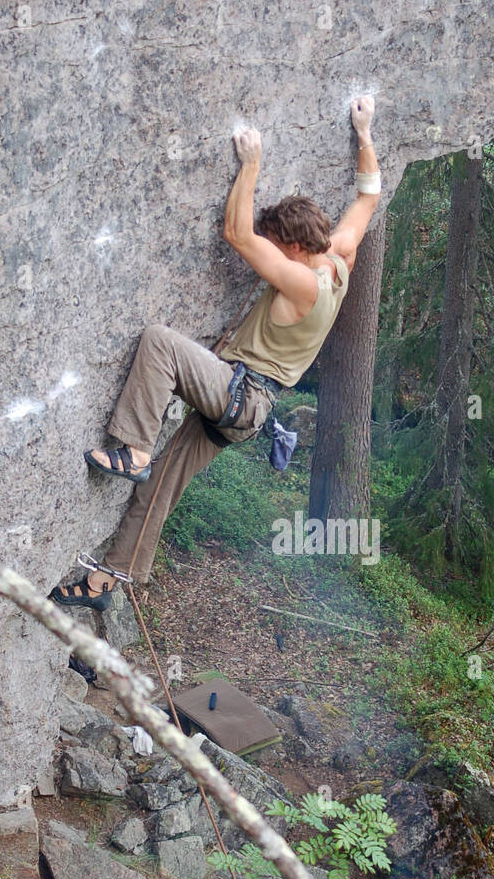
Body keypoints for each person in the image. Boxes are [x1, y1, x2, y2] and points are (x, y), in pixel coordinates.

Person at [51, 96, 381, 611]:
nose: (271, 257)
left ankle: (133, 446)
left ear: (293, 250)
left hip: (239, 395)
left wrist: (251, 164)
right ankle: (105, 582)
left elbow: (237, 234)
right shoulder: (341, 253)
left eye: (278, 248)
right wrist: (364, 133)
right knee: (161, 484)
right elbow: (368, 198)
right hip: (247, 410)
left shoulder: (302, 284)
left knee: (160, 342)